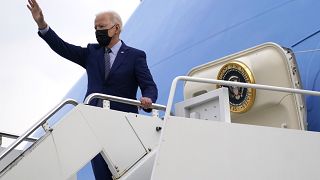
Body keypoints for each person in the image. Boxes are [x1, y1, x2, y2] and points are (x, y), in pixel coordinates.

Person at [27, 0, 158, 179]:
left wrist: (148, 99)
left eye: (102, 26)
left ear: (116, 28)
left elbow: (149, 85)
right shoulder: (91, 53)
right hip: (95, 126)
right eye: (95, 28)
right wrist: (42, 25)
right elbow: (63, 47)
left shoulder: (135, 56)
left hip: (124, 125)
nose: (98, 31)